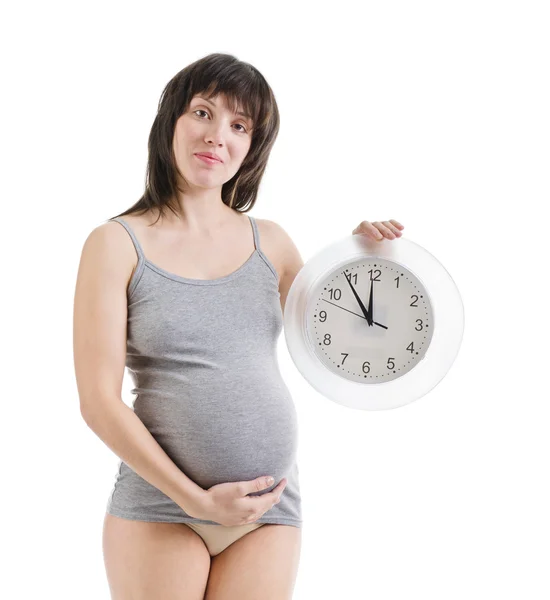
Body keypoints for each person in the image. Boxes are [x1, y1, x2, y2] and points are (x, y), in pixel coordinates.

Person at [73, 52, 404, 599]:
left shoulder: (271, 243)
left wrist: (367, 259)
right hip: (162, 508)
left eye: (238, 124)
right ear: (172, 122)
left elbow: (345, 335)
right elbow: (98, 402)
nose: (216, 136)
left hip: (269, 510)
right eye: (203, 113)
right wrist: (196, 500)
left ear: (252, 147)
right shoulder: (114, 244)